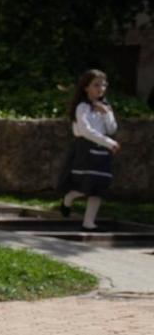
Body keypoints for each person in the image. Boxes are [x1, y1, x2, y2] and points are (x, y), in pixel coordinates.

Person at [59, 68, 119, 231]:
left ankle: (89, 223)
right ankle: (69, 198)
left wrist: (106, 113)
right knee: (85, 184)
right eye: (96, 85)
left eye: (103, 85)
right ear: (86, 87)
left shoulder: (106, 106)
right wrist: (108, 142)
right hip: (85, 149)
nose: (101, 88)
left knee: (99, 186)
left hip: (102, 149)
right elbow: (86, 131)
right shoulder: (82, 107)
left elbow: (112, 129)